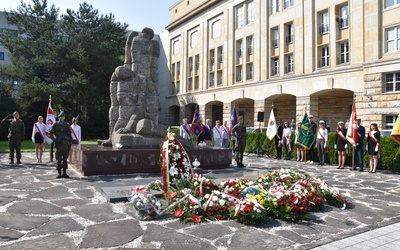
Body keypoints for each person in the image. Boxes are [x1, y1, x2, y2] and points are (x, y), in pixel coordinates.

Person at [49, 110, 72, 178]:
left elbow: (69, 135)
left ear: (64, 117)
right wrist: (54, 139)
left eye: (63, 117)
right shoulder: (55, 124)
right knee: (58, 159)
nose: (62, 118)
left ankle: (64, 173)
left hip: (65, 144)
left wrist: (69, 143)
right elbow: (50, 133)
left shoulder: (67, 125)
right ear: (59, 117)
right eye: (61, 117)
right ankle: (59, 173)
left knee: (65, 159)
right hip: (58, 144)